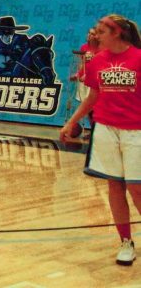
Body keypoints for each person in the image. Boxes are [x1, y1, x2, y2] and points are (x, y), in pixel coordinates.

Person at [60, 14, 141, 266]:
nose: (95, 35)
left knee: (136, 187)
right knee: (114, 186)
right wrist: (72, 121)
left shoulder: (138, 58)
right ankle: (125, 242)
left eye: (101, 31)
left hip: (136, 130)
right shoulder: (97, 62)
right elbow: (93, 96)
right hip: (105, 129)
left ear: (117, 32)